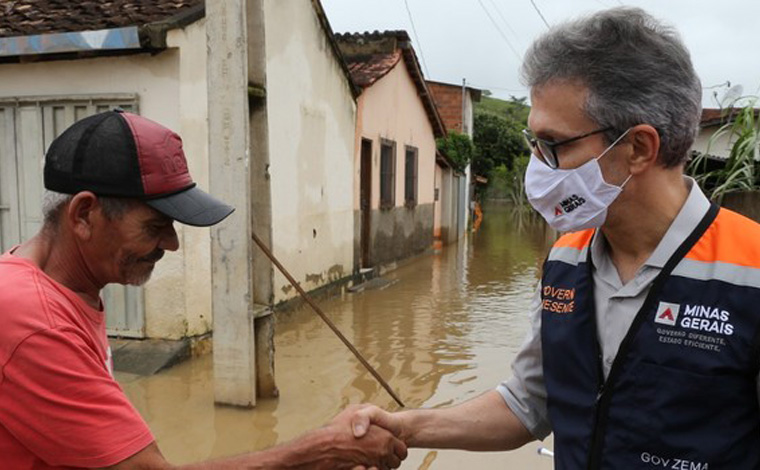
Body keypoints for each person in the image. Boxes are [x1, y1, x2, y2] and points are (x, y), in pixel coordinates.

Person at [350, 6, 760, 469]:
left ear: (638, 148)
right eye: (533, 143)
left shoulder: (752, 274)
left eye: (553, 145)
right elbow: (530, 403)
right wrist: (405, 427)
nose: (537, 166)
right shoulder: (566, 258)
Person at [0, 110, 407, 470]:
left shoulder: (60, 288)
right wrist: (321, 450)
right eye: (155, 225)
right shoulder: (33, 319)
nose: (171, 243)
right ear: (84, 214)